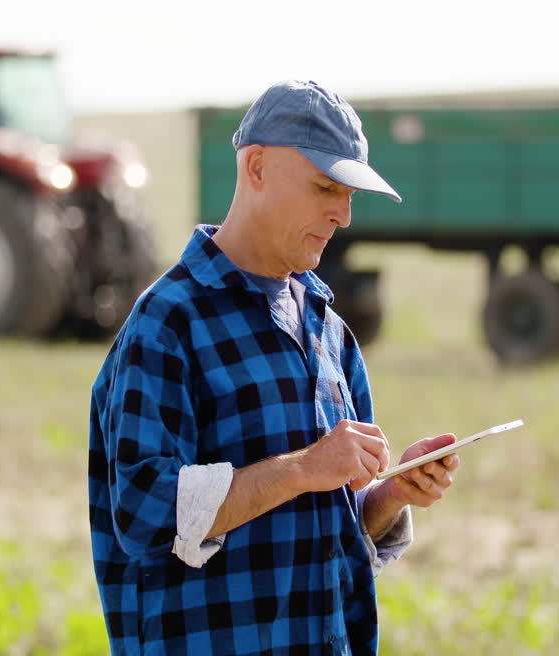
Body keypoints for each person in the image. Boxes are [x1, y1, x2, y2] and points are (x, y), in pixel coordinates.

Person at [88, 79, 460, 656]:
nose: (343, 214)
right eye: (324, 187)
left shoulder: (331, 333)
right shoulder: (167, 323)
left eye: (350, 194)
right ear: (256, 166)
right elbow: (143, 513)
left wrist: (391, 495)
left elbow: (331, 541)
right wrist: (303, 468)